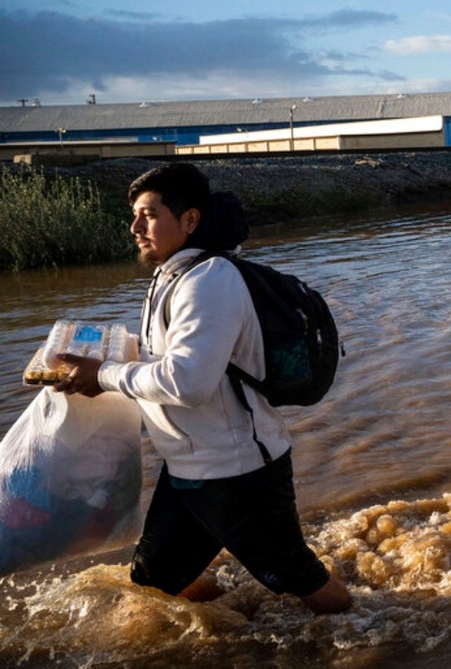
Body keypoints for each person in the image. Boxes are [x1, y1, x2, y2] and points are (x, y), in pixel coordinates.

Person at [54, 162, 351, 614]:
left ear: (190, 220)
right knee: (154, 581)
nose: (135, 226)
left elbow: (187, 382)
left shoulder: (210, 280)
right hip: (189, 469)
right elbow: (165, 359)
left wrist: (104, 376)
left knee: (304, 583)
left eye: (149, 214)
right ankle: (237, 620)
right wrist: (106, 357)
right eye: (134, 214)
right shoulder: (170, 276)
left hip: (240, 476)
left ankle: (372, 632)